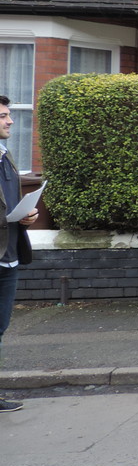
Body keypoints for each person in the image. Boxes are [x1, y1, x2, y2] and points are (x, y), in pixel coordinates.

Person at [0, 95, 39, 413]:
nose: (10, 121)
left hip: (9, 255)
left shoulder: (5, 156)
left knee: (0, 327)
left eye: (8, 115)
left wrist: (26, 215)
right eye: (2, 116)